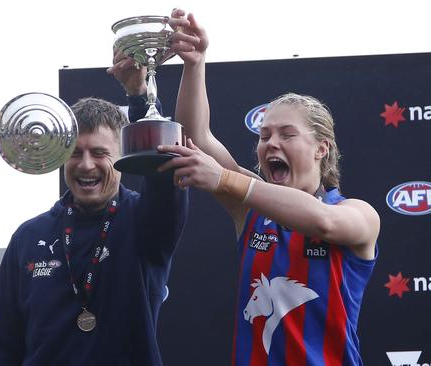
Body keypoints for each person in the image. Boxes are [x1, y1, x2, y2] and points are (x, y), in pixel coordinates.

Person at [157, 9, 380, 365]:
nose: (270, 143)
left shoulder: (359, 214)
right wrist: (195, 64)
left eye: (287, 134)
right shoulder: (252, 209)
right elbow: (194, 138)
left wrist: (227, 179)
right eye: (264, 135)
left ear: (322, 148)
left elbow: (324, 223)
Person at [0, 53, 188, 365]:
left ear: (121, 156)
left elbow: (164, 170)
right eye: (75, 153)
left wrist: (139, 95)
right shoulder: (28, 236)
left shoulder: (144, 221)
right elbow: (0, 341)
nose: (86, 164)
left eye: (100, 152)